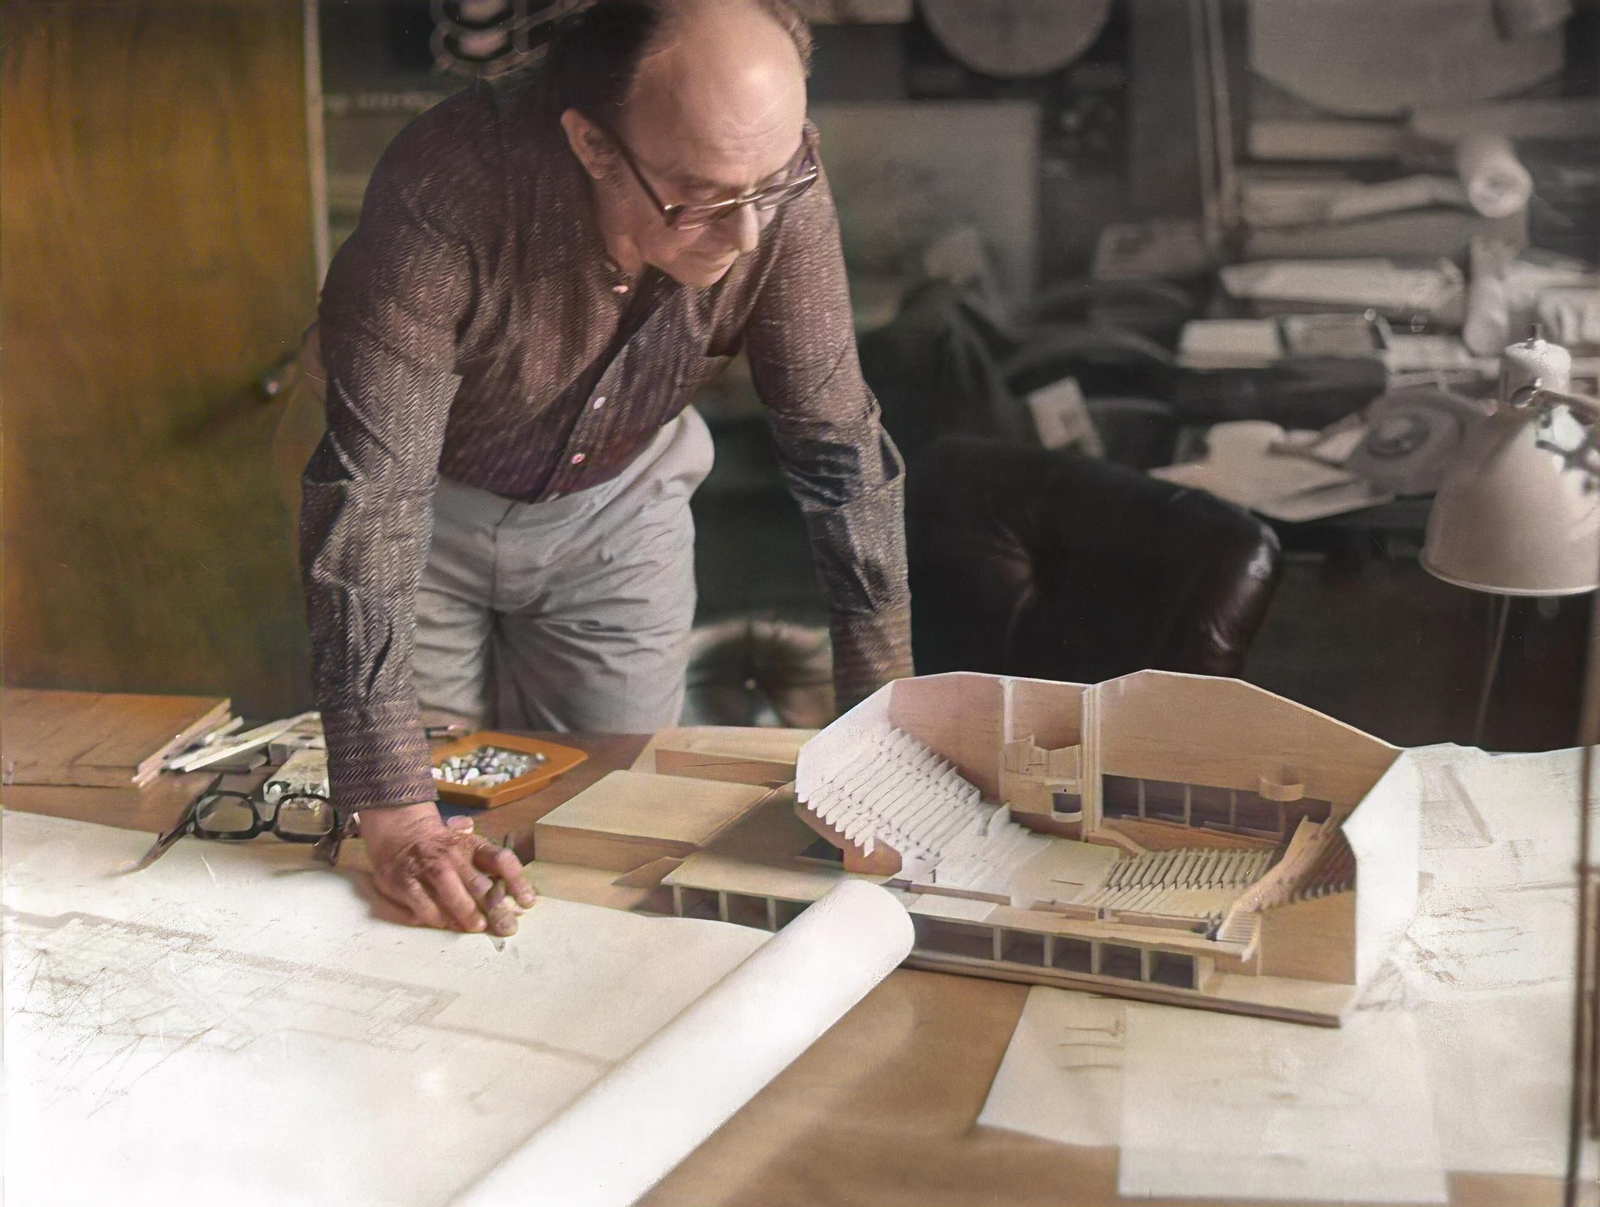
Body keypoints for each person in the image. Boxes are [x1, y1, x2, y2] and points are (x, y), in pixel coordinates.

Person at [302, 0, 912, 935]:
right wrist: (400, 815)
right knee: (433, 854)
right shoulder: (448, 187)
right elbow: (376, 498)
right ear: (593, 143)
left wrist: (884, 721)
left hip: (622, 501)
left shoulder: (769, 184)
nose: (749, 237)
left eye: (773, 184)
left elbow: (838, 450)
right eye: (702, 197)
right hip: (426, 517)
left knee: (623, 831)